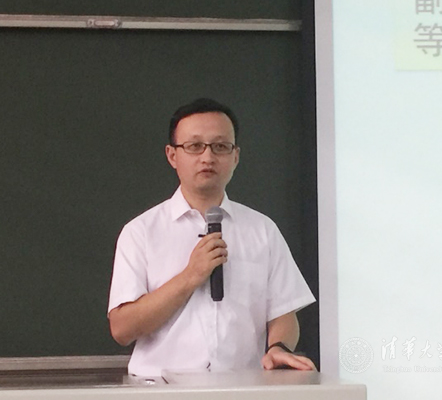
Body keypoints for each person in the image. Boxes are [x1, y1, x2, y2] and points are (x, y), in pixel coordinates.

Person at [107, 98, 316, 377]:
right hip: (159, 388)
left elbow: (283, 313)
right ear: (172, 155)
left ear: (236, 156)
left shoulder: (262, 230)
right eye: (194, 146)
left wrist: (279, 346)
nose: (207, 157)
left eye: (220, 146)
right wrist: (191, 276)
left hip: (243, 387)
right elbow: (122, 329)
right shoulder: (141, 232)